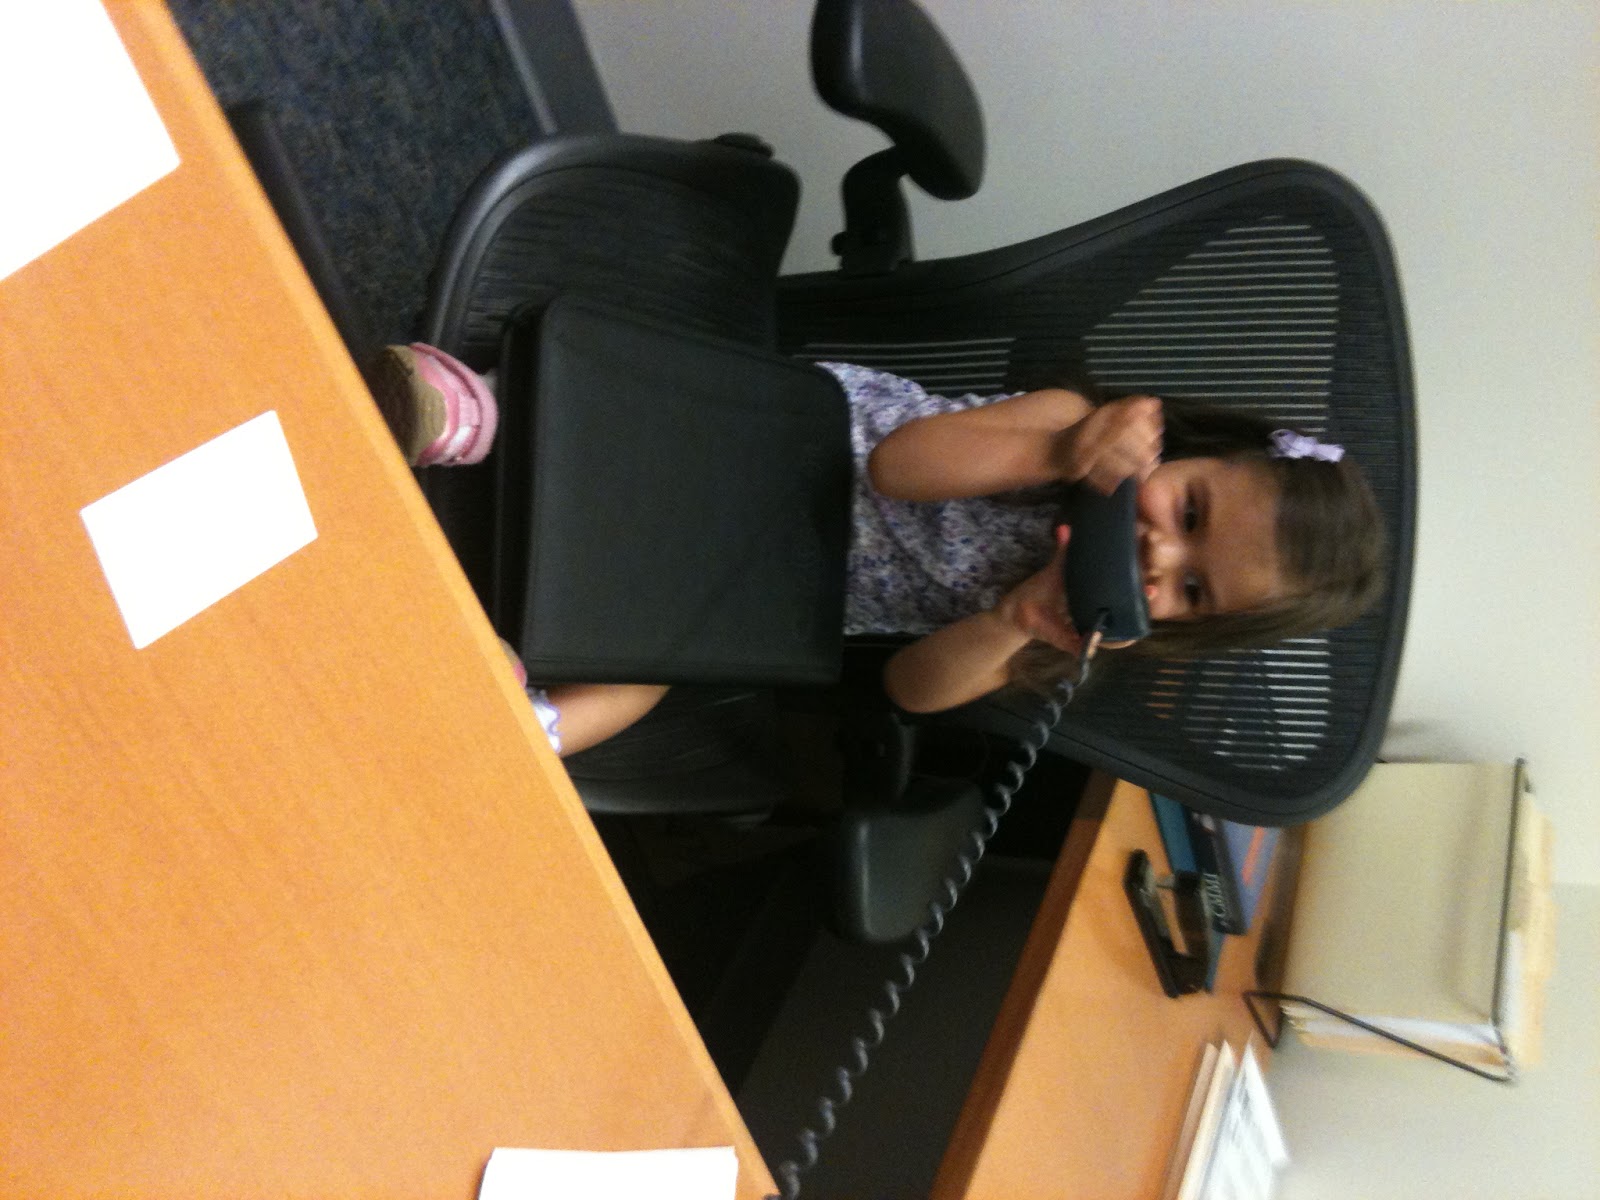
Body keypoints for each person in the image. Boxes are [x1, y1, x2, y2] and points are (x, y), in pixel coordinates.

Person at [369, 343, 1385, 756]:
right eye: (1191, 512)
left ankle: (528, 727)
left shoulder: (1067, 625)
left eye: (1193, 590)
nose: (1160, 559)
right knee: (633, 427)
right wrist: (1058, 451)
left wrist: (1011, 623)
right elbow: (900, 467)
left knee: (660, 665)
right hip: (782, 446)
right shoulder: (1063, 426)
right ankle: (485, 411)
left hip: (772, 582)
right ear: (1189, 448)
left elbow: (907, 687)